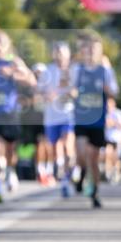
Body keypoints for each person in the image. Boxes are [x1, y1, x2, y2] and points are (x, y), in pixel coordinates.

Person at [0, 33, 35, 203]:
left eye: (1, 43)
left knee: (10, 149)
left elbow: (31, 81)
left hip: (9, 112)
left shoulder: (14, 61)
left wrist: (12, 74)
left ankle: (11, 171)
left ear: (8, 44)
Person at [72, 33, 118, 208]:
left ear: (99, 51)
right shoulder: (78, 69)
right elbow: (71, 87)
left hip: (98, 121)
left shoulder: (105, 70)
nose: (90, 52)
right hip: (81, 118)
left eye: (94, 49)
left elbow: (115, 92)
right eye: (88, 49)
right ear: (83, 51)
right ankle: (82, 172)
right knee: (82, 152)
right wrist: (72, 93)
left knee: (93, 158)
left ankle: (95, 192)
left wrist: (108, 89)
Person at [38, 42, 76, 197]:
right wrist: (46, 96)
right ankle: (64, 177)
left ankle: (68, 176)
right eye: (57, 52)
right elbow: (39, 91)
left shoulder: (73, 71)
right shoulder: (48, 71)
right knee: (55, 149)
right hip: (52, 117)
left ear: (68, 55)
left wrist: (70, 93)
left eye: (62, 53)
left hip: (68, 115)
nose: (60, 56)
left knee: (67, 145)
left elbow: (77, 90)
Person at [104, 96, 121, 184]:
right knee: (108, 154)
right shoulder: (104, 114)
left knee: (117, 156)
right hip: (109, 138)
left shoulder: (118, 113)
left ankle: (117, 172)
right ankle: (109, 173)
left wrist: (116, 123)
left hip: (119, 139)